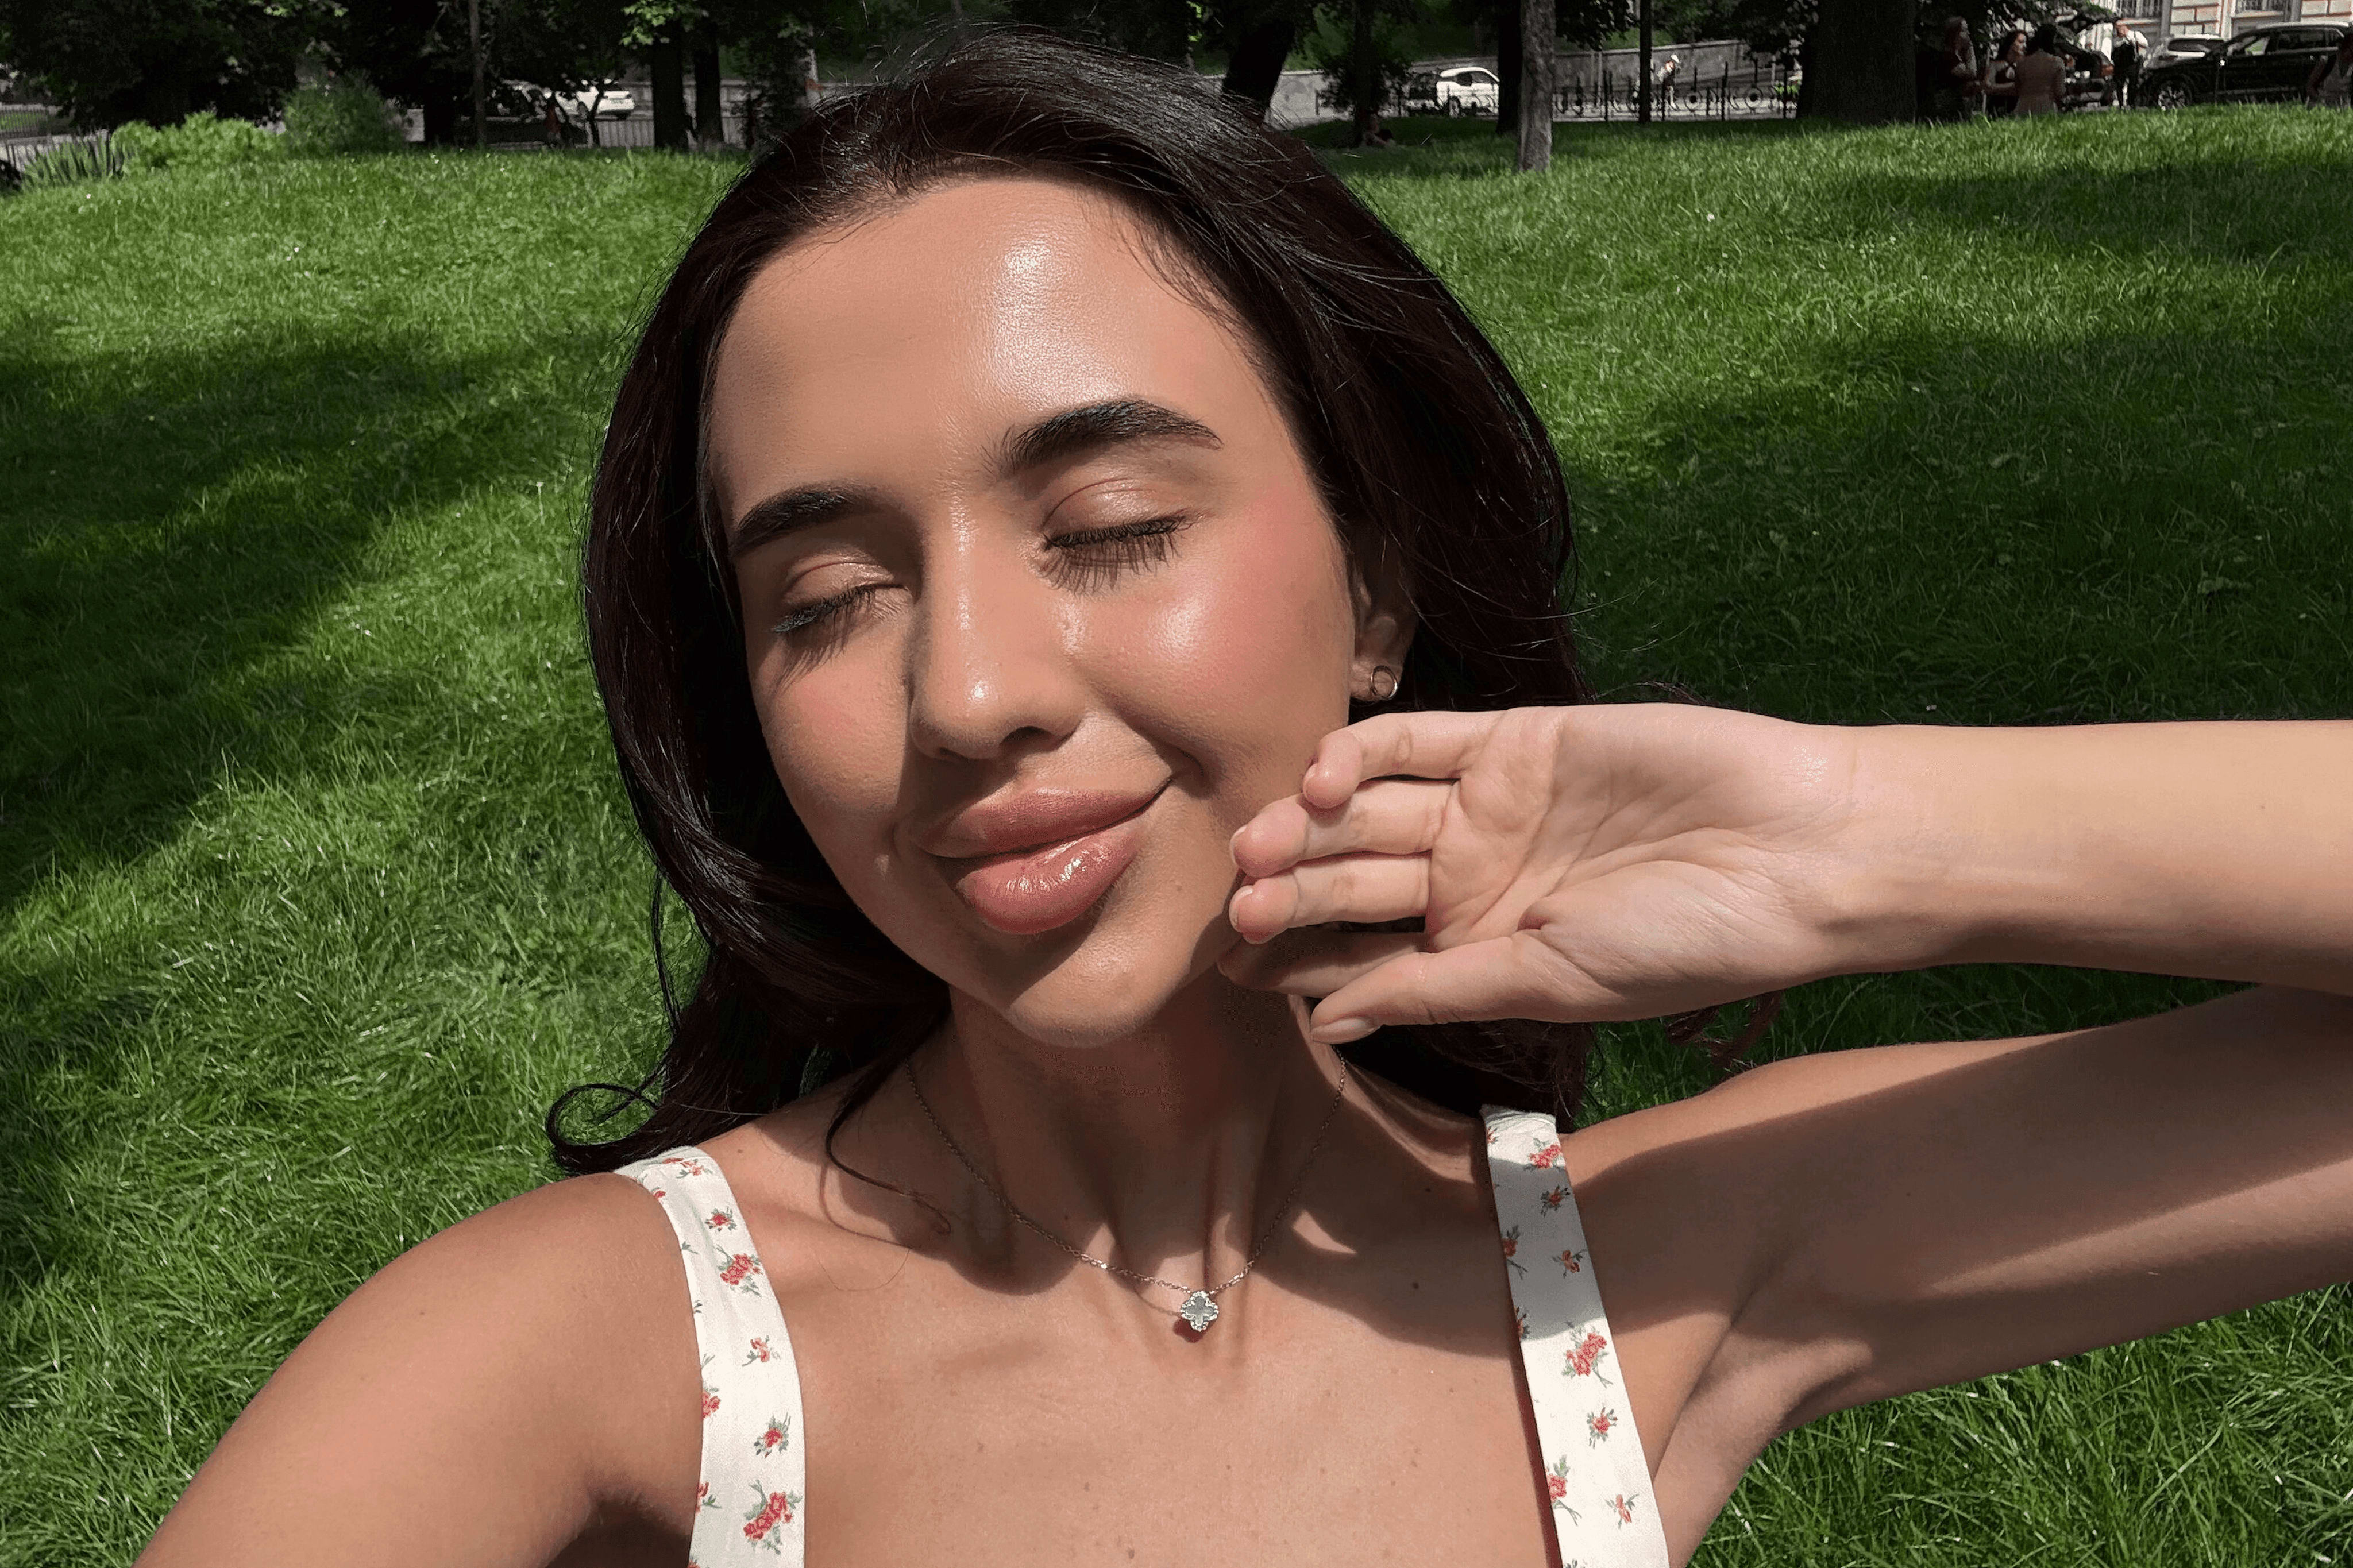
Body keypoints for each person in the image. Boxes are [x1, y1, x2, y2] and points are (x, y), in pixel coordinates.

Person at [134, 28, 2353, 1568]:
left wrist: (1858, 845)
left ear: (1375, 587)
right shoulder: (596, 1350)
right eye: (822, 597)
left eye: (1105, 523)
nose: (968, 690)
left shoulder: (1648, 1273)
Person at [2012, 23, 2070, 115]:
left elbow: (2017, 88)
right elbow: (2060, 91)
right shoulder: (2057, 62)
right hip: (2046, 106)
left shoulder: (2022, 62)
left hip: (2023, 106)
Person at [1935, 17, 1983, 120]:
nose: (1968, 34)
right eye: (1965, 30)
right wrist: (1970, 49)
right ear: (1955, 33)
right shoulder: (1948, 56)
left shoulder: (1960, 56)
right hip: (1947, 103)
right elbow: (1971, 72)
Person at [1982, 28, 2028, 116]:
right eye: (2021, 42)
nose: (2025, 46)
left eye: (2026, 43)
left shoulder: (2026, 67)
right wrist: (2012, 86)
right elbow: (1988, 87)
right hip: (1997, 111)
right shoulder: (1995, 65)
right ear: (2011, 44)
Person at [2309, 29, 2353, 107]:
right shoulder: (2327, 62)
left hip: (2345, 110)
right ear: (2344, 48)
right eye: (2351, 52)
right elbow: (2310, 86)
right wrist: (2320, 100)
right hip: (2324, 108)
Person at [2109, 17, 2145, 107]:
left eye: (2119, 28)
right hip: (2120, 65)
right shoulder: (2117, 39)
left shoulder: (2136, 35)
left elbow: (2145, 45)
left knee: (2133, 85)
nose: (2117, 31)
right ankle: (2121, 105)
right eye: (2116, 28)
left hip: (2132, 64)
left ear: (2125, 27)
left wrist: (2133, 42)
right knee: (2119, 85)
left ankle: (2131, 104)